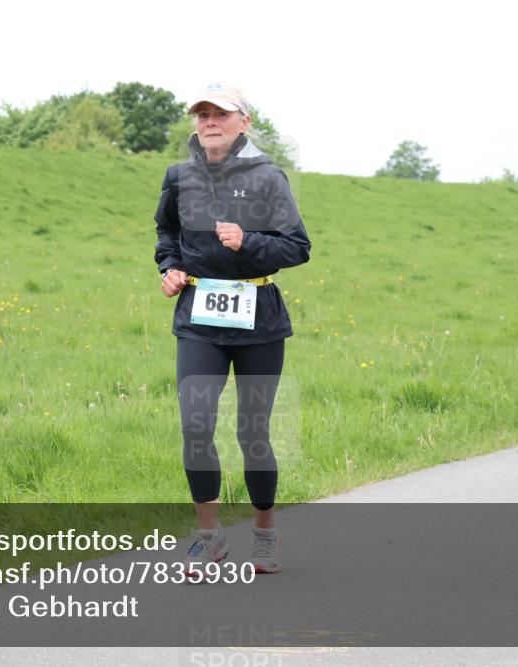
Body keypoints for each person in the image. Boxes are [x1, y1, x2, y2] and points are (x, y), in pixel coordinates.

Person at [154, 83, 311, 576]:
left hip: (259, 320)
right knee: (195, 425)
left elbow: (297, 247)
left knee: (253, 432)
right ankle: (210, 537)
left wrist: (249, 243)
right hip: (200, 317)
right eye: (201, 114)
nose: (208, 121)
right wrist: (170, 267)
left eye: (219, 113)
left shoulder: (268, 177)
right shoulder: (179, 177)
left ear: (244, 121)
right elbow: (166, 234)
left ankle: (265, 533)